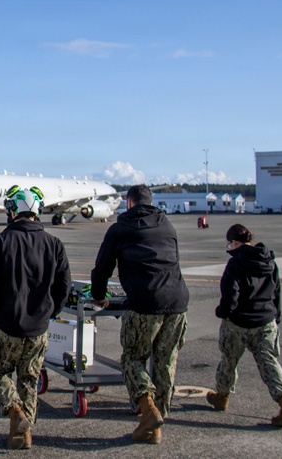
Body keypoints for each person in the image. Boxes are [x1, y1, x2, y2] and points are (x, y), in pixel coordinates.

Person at [90, 184, 189, 445]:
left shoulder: (120, 229)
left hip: (145, 303)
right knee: (165, 363)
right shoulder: (167, 225)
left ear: (129, 202)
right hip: (178, 301)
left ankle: (148, 410)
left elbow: (102, 268)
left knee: (133, 360)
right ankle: (155, 427)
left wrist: (99, 295)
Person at [0, 186, 71, 450]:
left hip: (7, 324)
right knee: (29, 378)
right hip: (38, 328)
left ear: (12, 210)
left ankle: (15, 413)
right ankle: (23, 434)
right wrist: (50, 313)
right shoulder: (54, 243)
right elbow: (63, 286)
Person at [206, 224, 282, 427]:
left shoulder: (236, 263)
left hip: (239, 322)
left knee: (229, 360)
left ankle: (222, 396)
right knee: (269, 362)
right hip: (266, 321)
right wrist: (277, 318)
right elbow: (277, 294)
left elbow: (231, 295)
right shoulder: (269, 262)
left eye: (230, 243)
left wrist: (223, 312)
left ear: (234, 242)